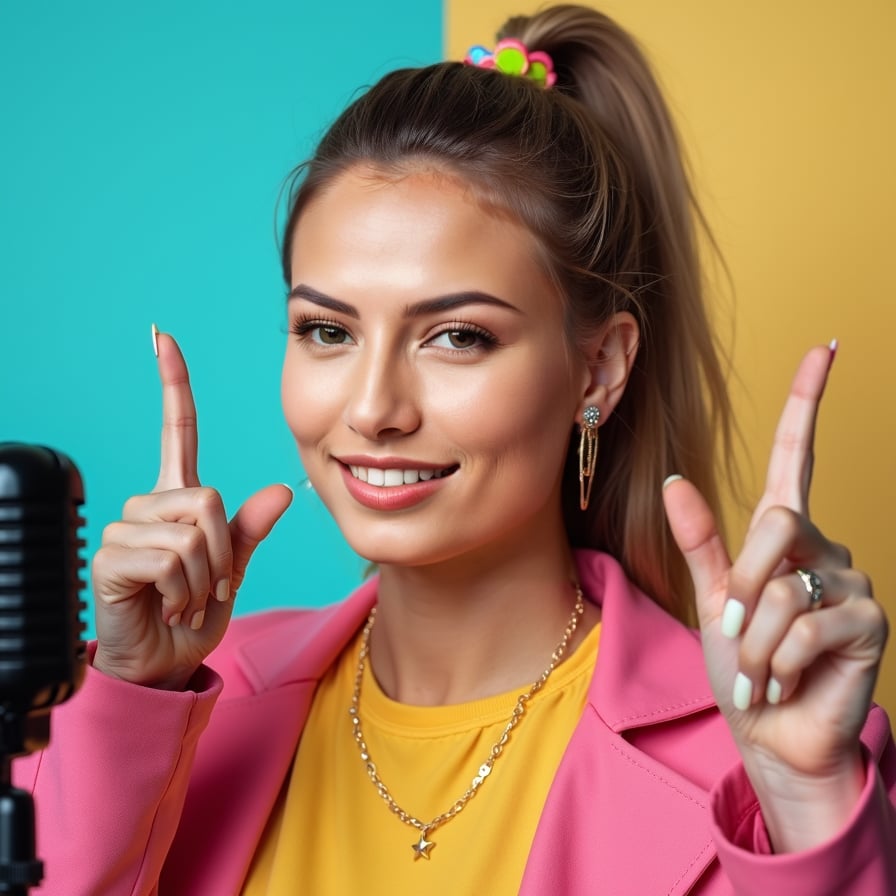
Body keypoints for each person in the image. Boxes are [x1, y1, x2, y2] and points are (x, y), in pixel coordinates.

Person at [15, 5, 894, 894]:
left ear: (599, 368)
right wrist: (128, 704)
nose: (373, 408)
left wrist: (806, 804)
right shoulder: (186, 706)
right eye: (327, 330)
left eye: (458, 337)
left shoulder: (769, 764)